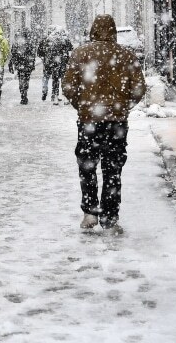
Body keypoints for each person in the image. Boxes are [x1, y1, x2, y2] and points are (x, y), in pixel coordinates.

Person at [62, 15, 146, 235]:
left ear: (92, 30)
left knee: (87, 165)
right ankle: (109, 216)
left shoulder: (81, 54)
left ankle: (90, 211)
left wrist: (82, 106)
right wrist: (123, 107)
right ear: (114, 31)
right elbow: (139, 88)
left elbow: (68, 86)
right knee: (112, 168)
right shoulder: (125, 55)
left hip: (89, 121)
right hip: (116, 122)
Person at [40, 27, 74, 104]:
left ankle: (55, 97)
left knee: (55, 80)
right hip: (63, 62)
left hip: (54, 62)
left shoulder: (50, 40)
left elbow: (46, 50)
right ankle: (65, 97)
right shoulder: (65, 39)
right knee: (63, 79)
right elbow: (71, 48)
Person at [7, 29, 37, 104]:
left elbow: (13, 54)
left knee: (21, 78)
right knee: (26, 79)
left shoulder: (17, 43)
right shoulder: (30, 42)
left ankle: (22, 93)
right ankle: (25, 93)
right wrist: (32, 64)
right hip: (27, 65)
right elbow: (33, 55)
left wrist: (11, 64)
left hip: (19, 64)